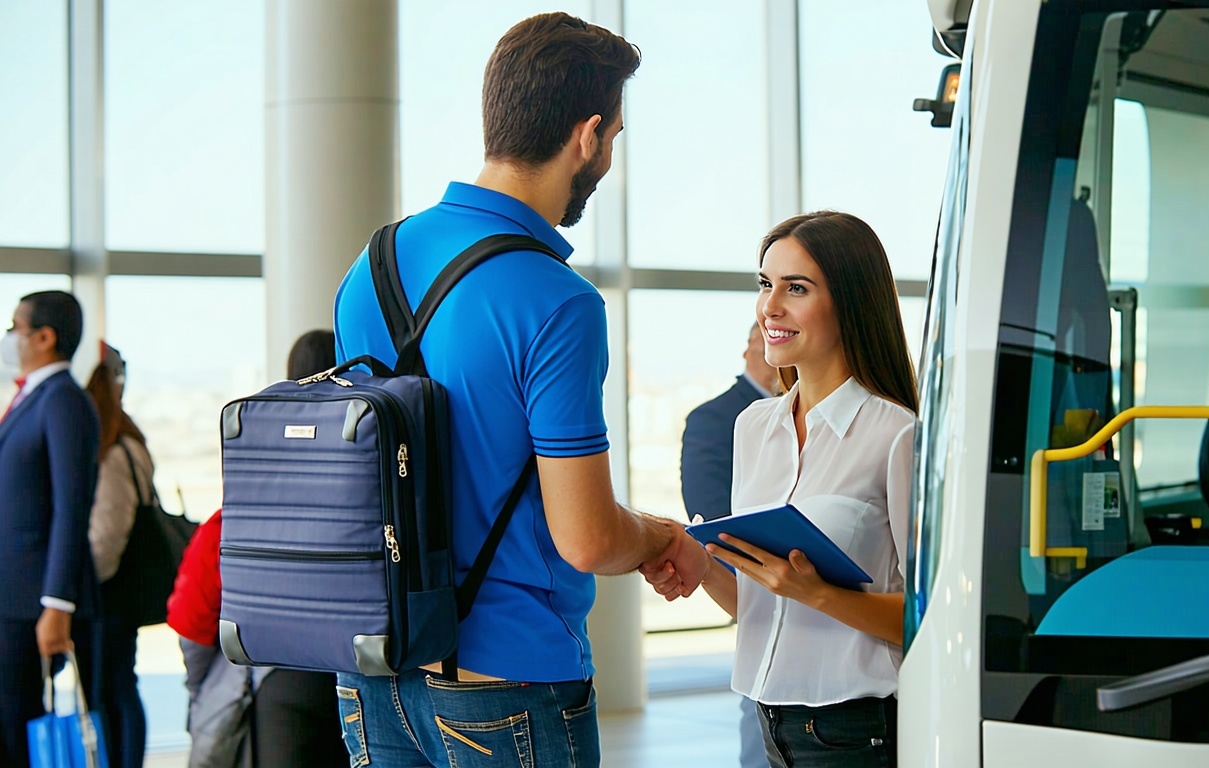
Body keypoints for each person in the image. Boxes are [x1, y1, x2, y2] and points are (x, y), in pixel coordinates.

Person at [331, 12, 704, 767]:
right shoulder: (557, 300)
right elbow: (587, 537)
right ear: (588, 136)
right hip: (506, 681)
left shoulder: (370, 267)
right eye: (614, 138)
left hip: (374, 668)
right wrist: (663, 537)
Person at [644, 211, 920, 767]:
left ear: (850, 302)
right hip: (769, 723)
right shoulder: (753, 428)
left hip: (856, 731)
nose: (770, 306)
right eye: (765, 284)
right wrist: (705, 570)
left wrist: (819, 594)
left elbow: (928, 618)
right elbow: (760, 605)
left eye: (796, 288)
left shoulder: (897, 434)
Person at [166, 329, 347, 768]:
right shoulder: (373, 465)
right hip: (370, 677)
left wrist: (203, 691)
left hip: (280, 682)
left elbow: (193, 617)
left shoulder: (258, 482)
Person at [0, 291, 101, 767]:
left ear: (44, 337)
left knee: (17, 728)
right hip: (13, 598)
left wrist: (57, 604)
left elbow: (71, 508)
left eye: (14, 328)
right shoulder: (32, 397)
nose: (9, 338)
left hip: (32, 603)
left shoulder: (63, 401)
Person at [679, 324, 775, 768]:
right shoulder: (715, 418)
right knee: (762, 717)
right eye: (764, 337)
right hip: (757, 587)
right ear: (747, 349)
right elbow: (710, 516)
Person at [85, 342, 152, 768]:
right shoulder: (127, 438)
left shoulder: (112, 450)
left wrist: (76, 584)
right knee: (119, 685)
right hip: (122, 591)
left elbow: (106, 538)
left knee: (113, 689)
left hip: (110, 594)